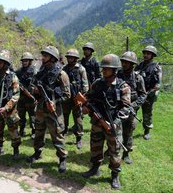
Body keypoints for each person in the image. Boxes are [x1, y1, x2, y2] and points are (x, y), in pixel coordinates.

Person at [81, 54, 131, 189]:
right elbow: (87, 98)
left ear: (114, 70)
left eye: (107, 69)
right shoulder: (97, 84)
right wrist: (85, 107)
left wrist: (115, 121)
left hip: (113, 125)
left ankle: (115, 176)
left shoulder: (123, 86)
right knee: (95, 146)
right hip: (97, 123)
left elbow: (127, 108)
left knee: (115, 151)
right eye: (103, 68)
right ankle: (94, 168)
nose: (103, 71)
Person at [26, 46, 71, 173]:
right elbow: (32, 86)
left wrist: (54, 102)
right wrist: (34, 91)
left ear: (52, 58)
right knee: (38, 132)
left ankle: (62, 158)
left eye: (45, 56)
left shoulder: (61, 74)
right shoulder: (40, 72)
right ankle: (37, 153)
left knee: (57, 135)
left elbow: (67, 95)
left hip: (54, 110)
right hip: (40, 108)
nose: (42, 58)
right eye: (43, 55)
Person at [0, 50, 21, 160]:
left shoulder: (13, 77)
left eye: (1, 63)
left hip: (9, 110)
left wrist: (6, 107)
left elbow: (16, 95)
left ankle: (16, 150)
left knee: (13, 131)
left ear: (6, 64)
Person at [117, 51, 147, 164]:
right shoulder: (117, 74)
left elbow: (143, 95)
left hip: (130, 110)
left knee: (128, 131)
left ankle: (126, 153)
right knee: (115, 130)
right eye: (123, 61)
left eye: (127, 62)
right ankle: (114, 149)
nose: (124, 64)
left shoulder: (138, 78)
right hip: (117, 108)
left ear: (132, 64)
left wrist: (133, 106)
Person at [62, 48, 89, 149]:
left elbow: (85, 85)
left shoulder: (81, 69)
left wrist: (81, 99)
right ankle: (62, 135)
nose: (69, 59)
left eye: (71, 57)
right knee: (64, 118)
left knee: (78, 119)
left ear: (75, 58)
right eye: (68, 57)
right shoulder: (64, 69)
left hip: (77, 98)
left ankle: (79, 139)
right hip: (66, 98)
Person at [135, 46, 162, 140]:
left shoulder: (156, 67)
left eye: (148, 54)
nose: (146, 55)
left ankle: (147, 131)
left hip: (149, 94)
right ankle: (129, 128)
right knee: (132, 111)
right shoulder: (139, 65)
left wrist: (148, 93)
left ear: (152, 55)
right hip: (138, 94)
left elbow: (158, 84)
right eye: (145, 53)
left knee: (147, 113)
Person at [15, 52, 36, 138]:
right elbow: (14, 80)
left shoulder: (34, 71)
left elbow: (37, 83)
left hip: (31, 97)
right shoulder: (19, 71)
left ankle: (34, 131)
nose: (24, 62)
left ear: (30, 61)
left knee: (32, 116)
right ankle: (21, 129)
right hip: (21, 97)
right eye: (23, 61)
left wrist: (32, 94)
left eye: (26, 61)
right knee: (21, 115)